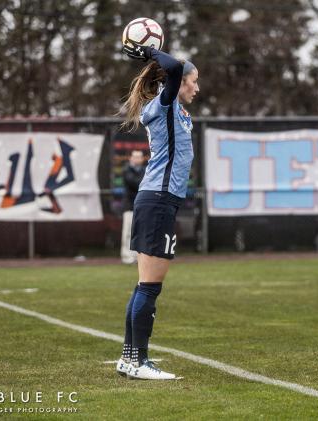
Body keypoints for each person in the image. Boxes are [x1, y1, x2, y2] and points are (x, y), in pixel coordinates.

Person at [115, 42, 199, 380]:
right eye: (194, 81)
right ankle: (139, 363)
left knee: (143, 286)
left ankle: (128, 359)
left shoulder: (171, 107)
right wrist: (151, 51)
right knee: (149, 286)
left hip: (161, 200)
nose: (196, 87)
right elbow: (175, 70)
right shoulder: (164, 103)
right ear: (178, 82)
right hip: (158, 199)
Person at [120, 150, 146, 264]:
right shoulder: (126, 170)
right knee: (128, 233)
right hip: (130, 206)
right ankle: (127, 257)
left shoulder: (145, 170)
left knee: (140, 232)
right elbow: (135, 183)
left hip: (142, 206)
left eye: (139, 157)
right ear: (130, 158)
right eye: (135, 157)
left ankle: (137, 256)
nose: (137, 159)